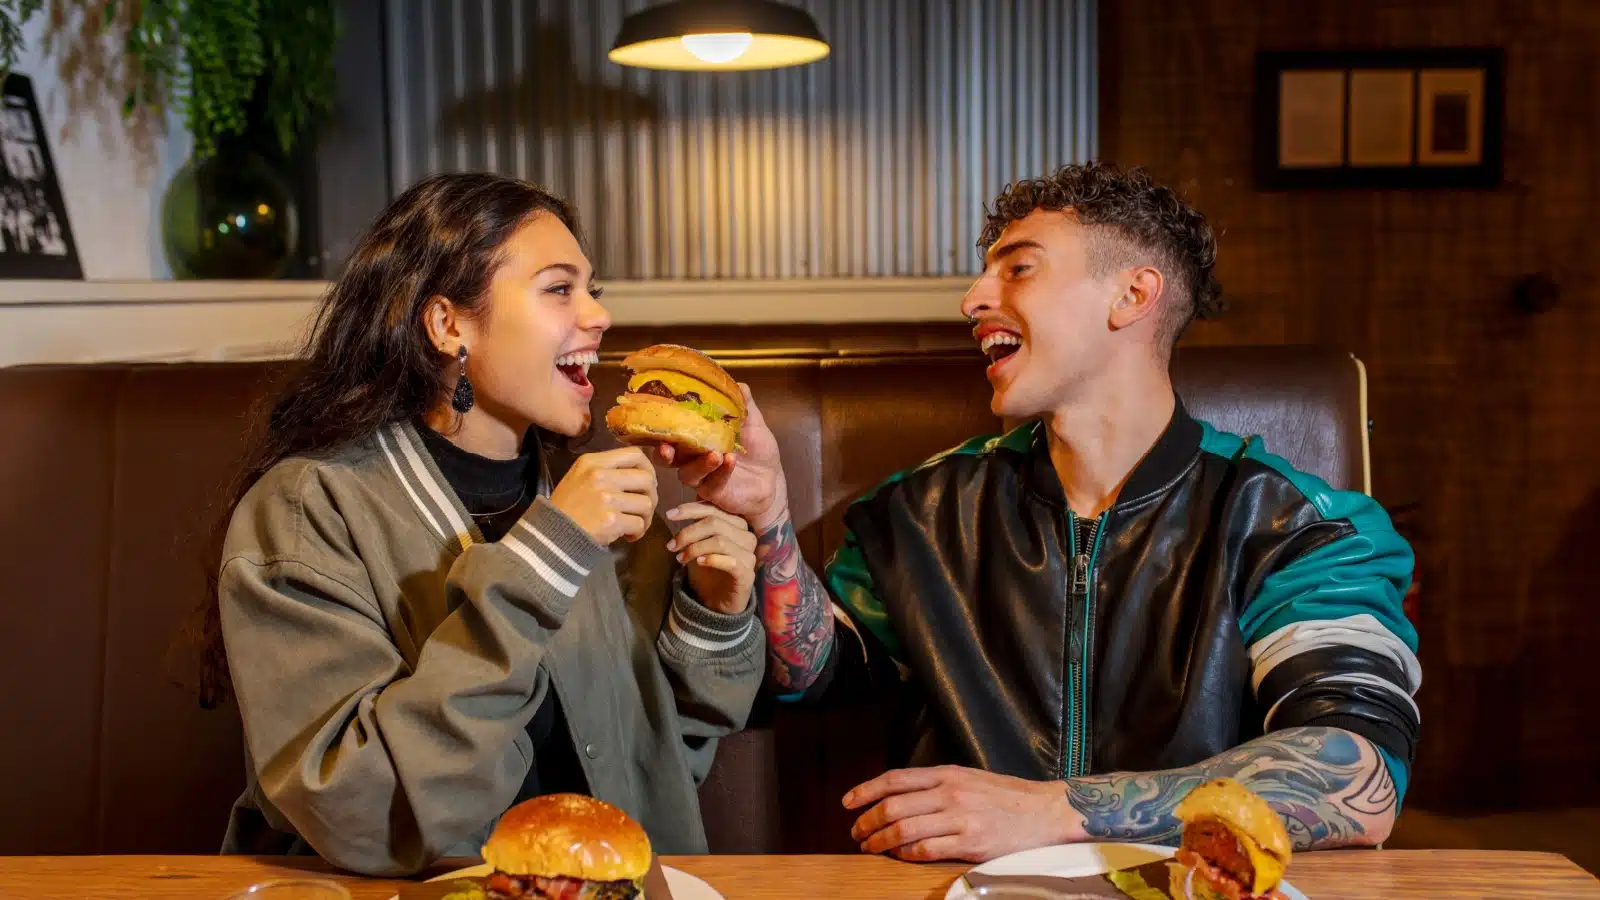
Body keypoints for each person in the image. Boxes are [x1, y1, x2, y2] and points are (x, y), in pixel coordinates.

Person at [661, 162, 1420, 863]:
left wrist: (1054, 812)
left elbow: (1358, 774)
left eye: (1018, 268)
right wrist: (769, 516)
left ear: (1133, 296)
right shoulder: (924, 510)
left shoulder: (1297, 526)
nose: (972, 300)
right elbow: (815, 673)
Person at [203, 173, 764, 876]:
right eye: (559, 289)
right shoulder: (305, 511)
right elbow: (359, 811)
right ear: (448, 325)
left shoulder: (598, 500)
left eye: (592, 289)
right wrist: (548, 558)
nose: (599, 315)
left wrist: (712, 618)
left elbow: (651, 768)